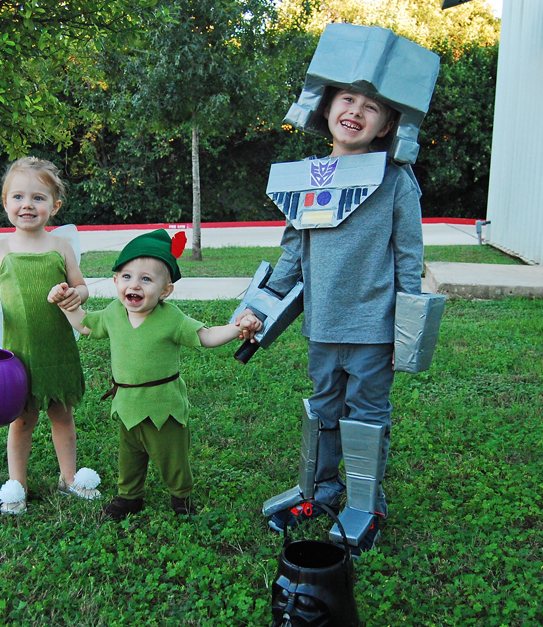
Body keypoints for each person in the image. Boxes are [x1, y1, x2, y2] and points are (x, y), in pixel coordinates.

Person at [246, 85, 425, 554]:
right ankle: (320, 490)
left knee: (366, 416)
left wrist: (405, 334)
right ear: (327, 108)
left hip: (374, 330)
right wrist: (262, 305)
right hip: (322, 327)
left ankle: (366, 503)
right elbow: (293, 252)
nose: (356, 112)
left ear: (386, 126)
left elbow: (409, 259)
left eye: (371, 107)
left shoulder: (396, 181)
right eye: (347, 100)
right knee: (323, 410)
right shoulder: (304, 178)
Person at [48, 229, 262, 520]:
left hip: (164, 406)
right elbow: (86, 325)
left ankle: (181, 498)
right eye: (127, 277)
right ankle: (129, 498)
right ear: (115, 281)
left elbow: (208, 336)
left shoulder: (170, 318)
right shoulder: (113, 313)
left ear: (165, 290)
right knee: (130, 456)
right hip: (127, 405)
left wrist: (239, 326)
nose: (134, 285)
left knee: (171, 456)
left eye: (146, 279)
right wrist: (66, 306)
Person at [0, 156, 100, 515]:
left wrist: (78, 295)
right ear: (5, 203)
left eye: (38, 198)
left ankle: (69, 477)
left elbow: (81, 286)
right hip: (19, 356)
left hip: (57, 349)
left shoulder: (61, 246)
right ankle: (17, 485)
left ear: (55, 206)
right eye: (17, 197)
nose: (27, 205)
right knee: (22, 420)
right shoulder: (0, 249)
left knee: (62, 415)